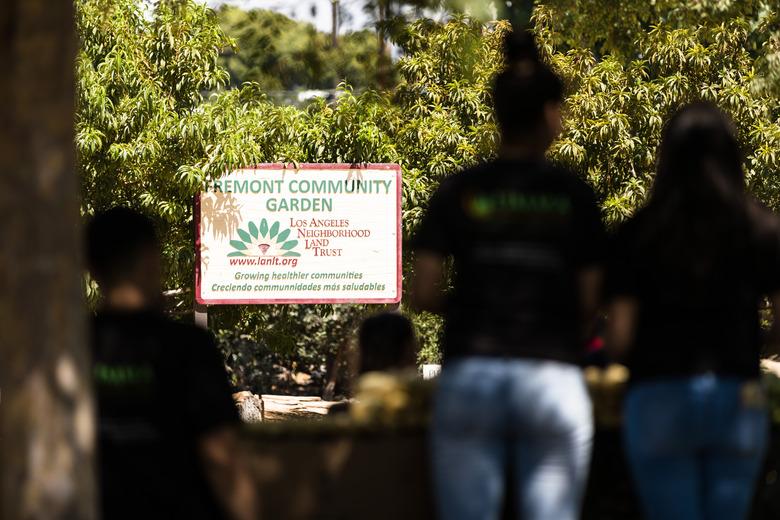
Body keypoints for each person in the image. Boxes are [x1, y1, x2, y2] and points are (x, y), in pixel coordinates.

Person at [411, 30, 606, 520]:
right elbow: (590, 301)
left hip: (472, 376)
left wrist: (477, 307)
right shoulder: (575, 196)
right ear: (549, 115)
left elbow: (424, 290)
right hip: (553, 379)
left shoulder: (457, 189)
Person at [605, 102, 780, 520]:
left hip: (659, 394)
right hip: (736, 394)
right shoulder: (761, 228)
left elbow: (621, 338)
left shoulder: (639, 231)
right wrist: (757, 346)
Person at [86, 208, 255, 520]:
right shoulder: (187, 347)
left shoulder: (74, 348)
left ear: (93, 269)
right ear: (151, 259)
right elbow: (221, 457)